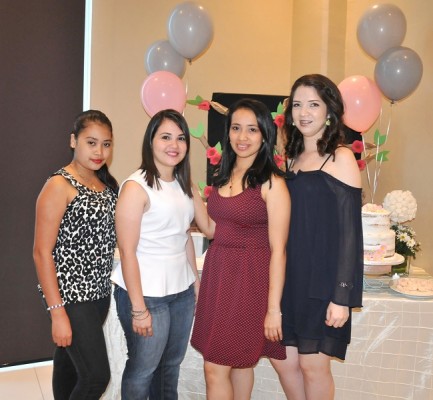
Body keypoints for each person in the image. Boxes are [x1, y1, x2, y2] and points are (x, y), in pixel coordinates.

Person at [190, 98, 291, 399]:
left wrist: (274, 310)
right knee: (239, 364)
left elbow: (279, 250)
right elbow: (212, 229)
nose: (242, 137)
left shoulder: (272, 183)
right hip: (220, 275)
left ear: (265, 135)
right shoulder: (224, 175)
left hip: (249, 281)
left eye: (252, 130)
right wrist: (191, 191)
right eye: (236, 128)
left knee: (215, 367)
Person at [272, 74, 364, 400]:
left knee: (313, 368)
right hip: (289, 279)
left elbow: (351, 233)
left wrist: (342, 296)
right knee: (283, 361)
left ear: (329, 110)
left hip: (322, 284)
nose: (304, 112)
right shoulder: (291, 159)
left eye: (313, 104)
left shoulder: (340, 156)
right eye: (297, 104)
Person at [111, 109, 200, 400]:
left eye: (180, 138)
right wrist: (139, 309)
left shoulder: (185, 184)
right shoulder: (136, 187)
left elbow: (185, 234)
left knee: (170, 367)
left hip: (181, 292)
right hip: (146, 294)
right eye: (165, 137)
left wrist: (195, 283)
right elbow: (127, 251)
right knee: (143, 369)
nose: (174, 144)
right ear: (151, 142)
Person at [33, 109, 119, 399]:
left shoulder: (107, 186)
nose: (99, 151)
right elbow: (41, 253)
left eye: (106, 144)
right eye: (91, 142)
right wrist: (57, 313)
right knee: (97, 377)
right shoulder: (59, 185)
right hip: (71, 297)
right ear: (74, 141)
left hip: (98, 294)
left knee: (70, 369)